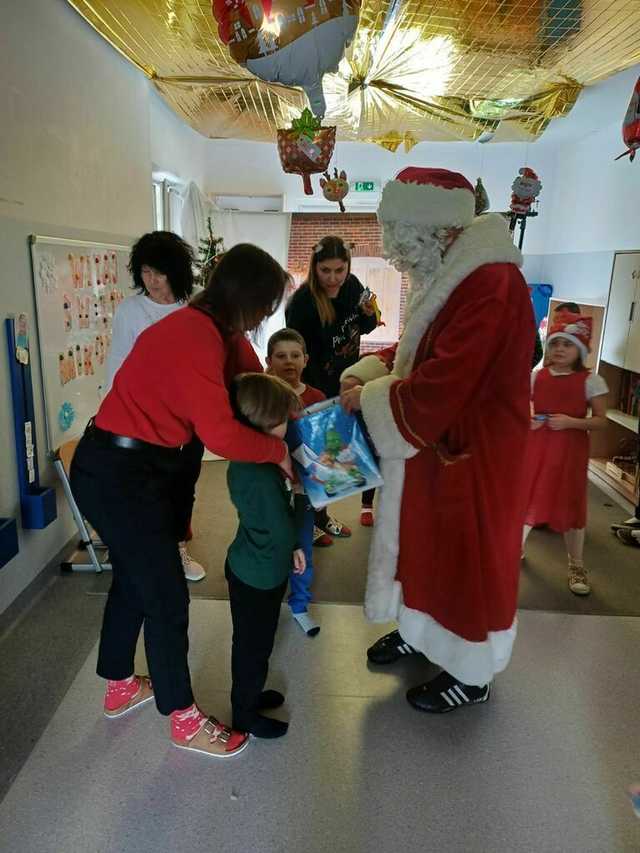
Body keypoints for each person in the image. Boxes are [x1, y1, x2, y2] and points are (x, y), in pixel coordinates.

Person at [70, 243, 292, 758]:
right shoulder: (195, 335)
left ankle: (120, 684)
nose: (264, 317)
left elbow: (253, 379)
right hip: (117, 472)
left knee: (135, 576)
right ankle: (184, 719)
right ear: (247, 299)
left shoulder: (218, 329)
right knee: (166, 594)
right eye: (264, 306)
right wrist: (278, 450)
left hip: (143, 468)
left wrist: (301, 412)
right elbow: (223, 434)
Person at [340, 167, 535, 713]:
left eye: (403, 237)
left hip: (474, 458)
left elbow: (446, 379)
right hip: (439, 449)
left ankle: (472, 673)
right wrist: (369, 370)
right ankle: (419, 629)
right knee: (423, 549)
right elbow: (419, 349)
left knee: (465, 562)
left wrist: (372, 399)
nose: (397, 254)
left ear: (435, 230)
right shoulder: (453, 269)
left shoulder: (492, 283)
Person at [105, 231, 205, 582]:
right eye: (146, 271)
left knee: (182, 486)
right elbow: (117, 364)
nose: (152, 280)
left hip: (187, 419)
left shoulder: (193, 307)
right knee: (148, 489)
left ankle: (178, 548)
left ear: (176, 271)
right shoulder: (130, 310)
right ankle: (151, 555)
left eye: (160, 272)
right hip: (143, 423)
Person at [226, 373, 306, 738]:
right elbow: (279, 528)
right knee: (252, 648)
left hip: (254, 565)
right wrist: (295, 544)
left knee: (255, 641)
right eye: (280, 421)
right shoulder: (258, 475)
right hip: (258, 575)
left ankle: (251, 694)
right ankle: (244, 713)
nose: (285, 426)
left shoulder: (250, 459)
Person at [286, 236, 379, 529]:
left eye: (340, 270)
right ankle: (313, 522)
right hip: (319, 391)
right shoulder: (301, 303)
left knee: (357, 451)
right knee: (320, 461)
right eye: (325, 270)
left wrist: (368, 315)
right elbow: (298, 354)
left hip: (350, 382)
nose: (333, 278)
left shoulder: (353, 286)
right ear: (315, 268)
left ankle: (327, 517)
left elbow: (367, 325)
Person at [521, 311, 608, 594]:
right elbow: (523, 409)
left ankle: (576, 564)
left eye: (567, 344)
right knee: (527, 499)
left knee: (570, 503)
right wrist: (530, 421)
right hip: (537, 450)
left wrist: (571, 422)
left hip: (570, 452)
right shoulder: (537, 377)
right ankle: (513, 552)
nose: (559, 349)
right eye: (555, 343)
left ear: (579, 350)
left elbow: (601, 420)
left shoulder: (590, 380)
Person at [266, 327, 326, 637]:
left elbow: (325, 446)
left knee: (303, 547)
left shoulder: (315, 398)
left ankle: (300, 604)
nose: (289, 362)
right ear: (269, 361)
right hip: (269, 490)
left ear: (306, 360)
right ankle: (266, 600)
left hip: (303, 491)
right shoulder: (263, 396)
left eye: (295, 356)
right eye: (281, 356)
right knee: (271, 545)